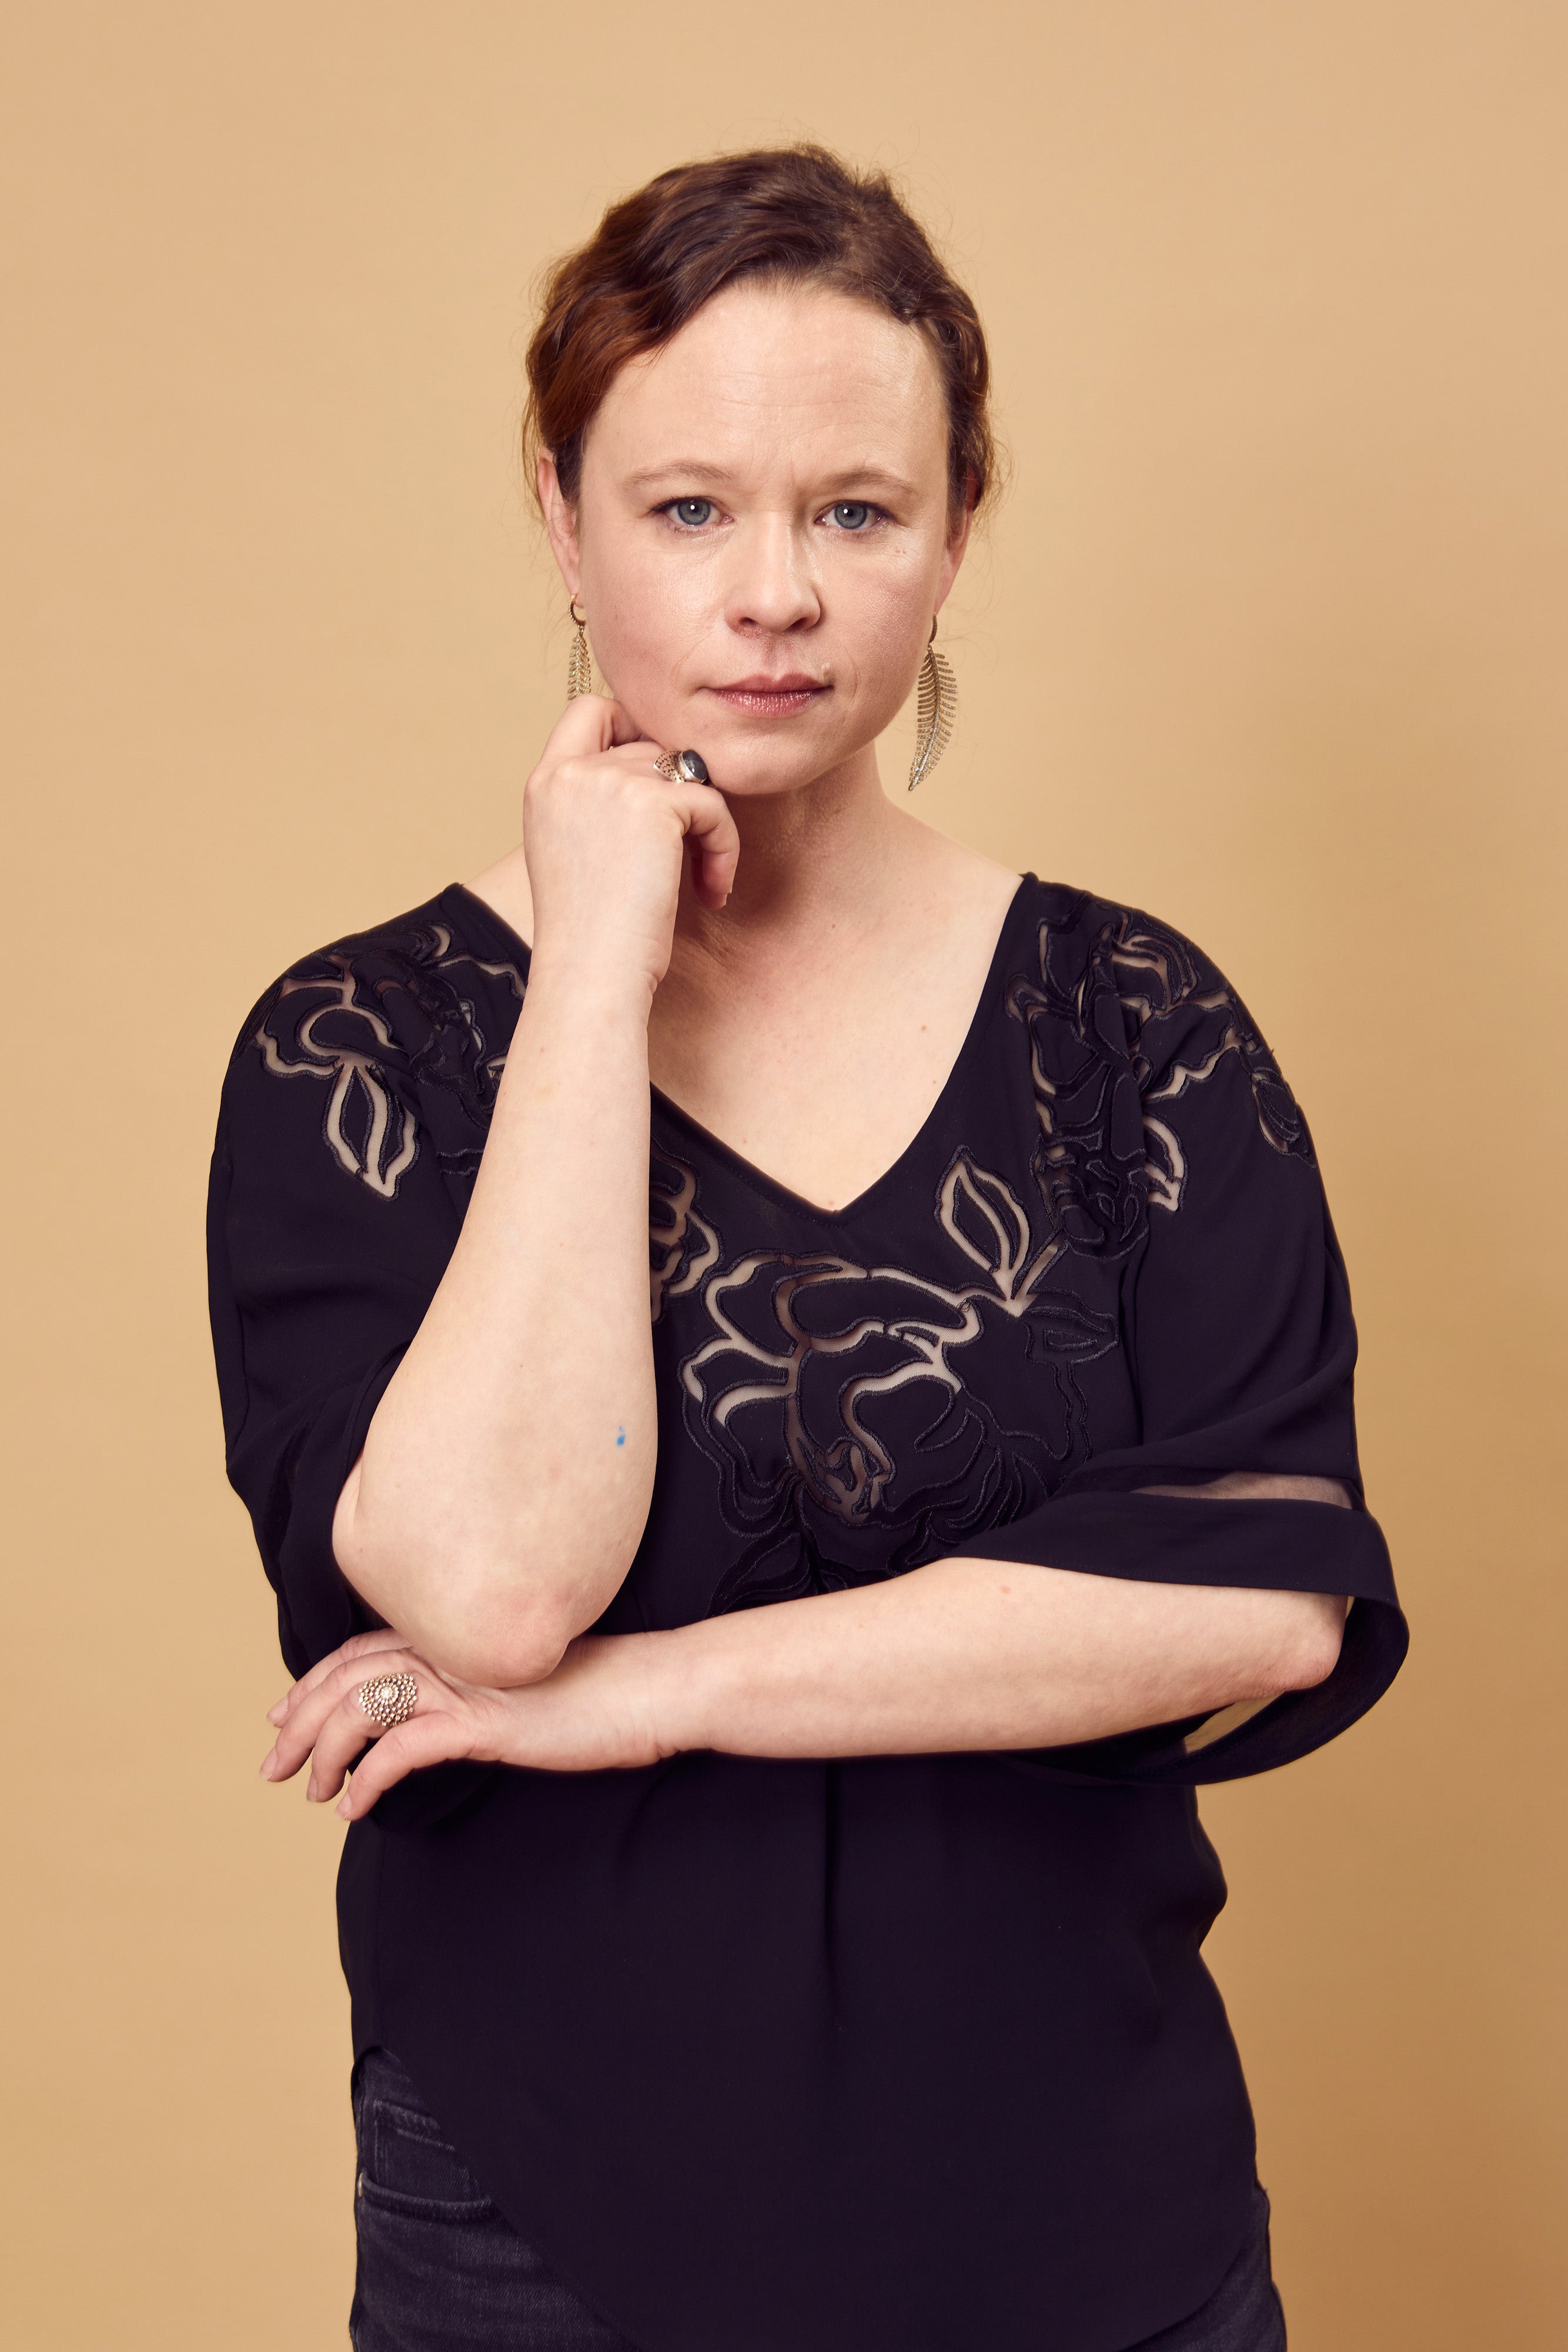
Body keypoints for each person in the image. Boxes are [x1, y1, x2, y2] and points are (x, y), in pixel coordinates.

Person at [208, 145, 1406, 2352]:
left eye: (854, 511)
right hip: (542, 2223)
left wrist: (639, 1700)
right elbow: (487, 1591)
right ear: (561, 519)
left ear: (957, 532)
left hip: (1093, 2204)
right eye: (688, 509)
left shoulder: (1131, 1023)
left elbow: (1257, 1594)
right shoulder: (360, 1046)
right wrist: (594, 968)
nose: (773, 594)